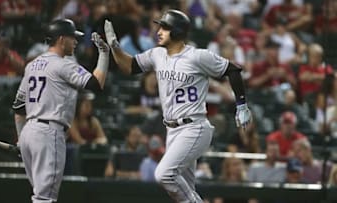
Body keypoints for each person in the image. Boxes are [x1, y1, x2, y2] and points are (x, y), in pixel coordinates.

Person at [102, 9, 252, 203]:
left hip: (194, 127)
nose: (159, 31)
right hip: (172, 130)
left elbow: (232, 70)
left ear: (178, 31)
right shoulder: (157, 54)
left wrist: (241, 105)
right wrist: (115, 47)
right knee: (185, 189)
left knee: (164, 174)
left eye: (165, 27)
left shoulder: (198, 56)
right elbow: (129, 67)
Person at [11, 19, 110, 203]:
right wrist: (104, 54)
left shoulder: (32, 65)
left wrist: (20, 139)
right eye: (73, 38)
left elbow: (18, 109)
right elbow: (96, 84)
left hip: (28, 134)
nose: (76, 42)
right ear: (62, 39)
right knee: (45, 198)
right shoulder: (63, 64)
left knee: (40, 196)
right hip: (49, 133)